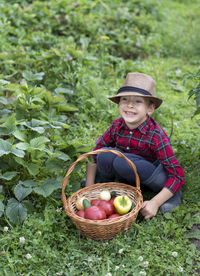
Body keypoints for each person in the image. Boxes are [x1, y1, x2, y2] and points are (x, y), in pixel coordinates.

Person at [84, 72, 185, 219]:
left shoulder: (156, 135)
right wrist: (89, 185)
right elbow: (93, 154)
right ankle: (105, 185)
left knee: (122, 161)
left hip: (152, 175)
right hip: (128, 172)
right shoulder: (117, 126)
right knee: (104, 154)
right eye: (125, 99)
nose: (130, 105)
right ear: (119, 103)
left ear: (150, 109)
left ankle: (172, 196)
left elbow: (177, 175)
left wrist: (155, 203)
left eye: (138, 101)